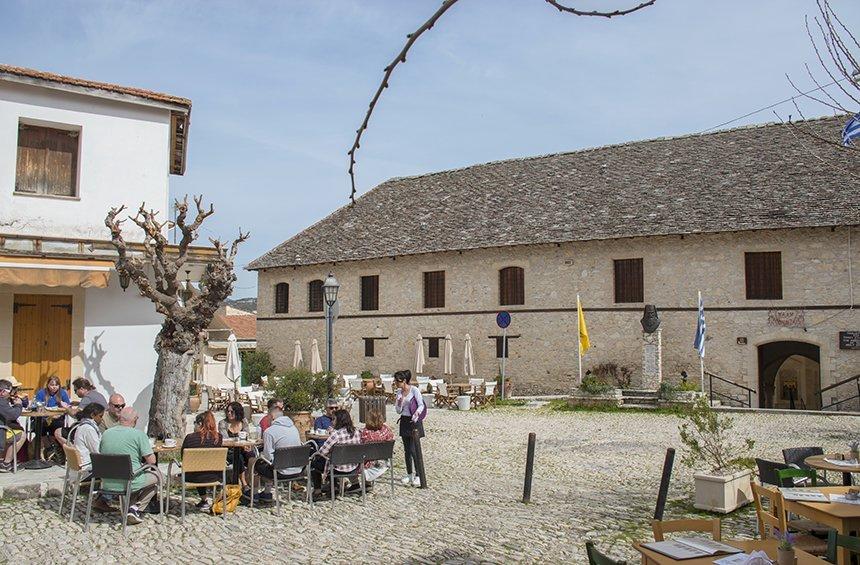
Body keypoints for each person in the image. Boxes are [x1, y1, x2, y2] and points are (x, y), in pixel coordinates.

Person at [99, 407, 159, 525]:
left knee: (137, 476)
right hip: (129, 480)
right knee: (159, 477)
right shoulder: (138, 435)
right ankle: (136, 508)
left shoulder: (106, 433)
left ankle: (130, 506)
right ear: (135, 420)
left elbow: (101, 453)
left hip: (107, 481)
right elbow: (152, 461)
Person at [249, 409, 302, 504]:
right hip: (298, 469)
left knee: (253, 461)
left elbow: (268, 456)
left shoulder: (270, 432)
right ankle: (266, 493)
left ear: (272, 417)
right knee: (271, 462)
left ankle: (255, 493)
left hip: (280, 472)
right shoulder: (294, 428)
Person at [68, 403, 113, 512]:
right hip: (85, 469)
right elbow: (98, 451)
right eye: (100, 416)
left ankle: (105, 498)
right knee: (115, 471)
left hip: (78, 468)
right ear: (93, 415)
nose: (102, 420)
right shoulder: (89, 429)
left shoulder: (82, 426)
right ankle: (103, 500)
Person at [310, 409, 361, 498]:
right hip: (353, 466)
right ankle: (335, 486)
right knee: (332, 459)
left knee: (315, 463)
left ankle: (318, 490)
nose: (331, 421)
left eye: (333, 419)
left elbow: (322, 452)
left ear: (339, 421)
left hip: (338, 468)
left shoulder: (336, 435)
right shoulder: (357, 432)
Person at [181, 410, 223, 512]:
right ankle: (206, 501)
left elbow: (182, 456)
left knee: (198, 468)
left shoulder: (190, 438)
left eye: (195, 423)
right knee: (203, 467)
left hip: (193, 477)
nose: (194, 426)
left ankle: (204, 500)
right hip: (214, 476)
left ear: (200, 424)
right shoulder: (218, 438)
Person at [394, 369, 426, 487]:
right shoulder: (399, 392)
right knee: (407, 450)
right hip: (404, 420)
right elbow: (398, 411)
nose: (396, 383)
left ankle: (418, 475)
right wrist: (400, 403)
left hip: (414, 421)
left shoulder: (414, 390)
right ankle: (409, 474)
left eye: (398, 381)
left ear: (404, 381)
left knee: (413, 449)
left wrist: (417, 414)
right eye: (396, 381)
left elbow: (421, 404)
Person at [218, 401, 251, 487]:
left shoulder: (243, 421)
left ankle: (252, 481)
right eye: (228, 411)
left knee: (251, 455)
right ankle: (244, 483)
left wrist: (246, 445)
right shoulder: (223, 423)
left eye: (232, 411)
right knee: (238, 457)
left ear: (238, 412)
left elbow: (247, 435)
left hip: (242, 448)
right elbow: (226, 440)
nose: (229, 413)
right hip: (229, 450)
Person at [360, 409, 394, 488]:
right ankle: (368, 483)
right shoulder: (386, 431)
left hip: (369, 462)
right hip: (384, 461)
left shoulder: (365, 433)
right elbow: (391, 438)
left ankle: (364, 483)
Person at [0, 379, 25, 473]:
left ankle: (3, 460)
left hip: (4, 427)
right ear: (2, 392)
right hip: (1, 429)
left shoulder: (3, 400)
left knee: (15, 429)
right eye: (10, 391)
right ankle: (6, 464)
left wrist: (22, 401)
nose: (12, 393)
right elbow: (13, 415)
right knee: (21, 434)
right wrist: (18, 405)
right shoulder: (1, 402)